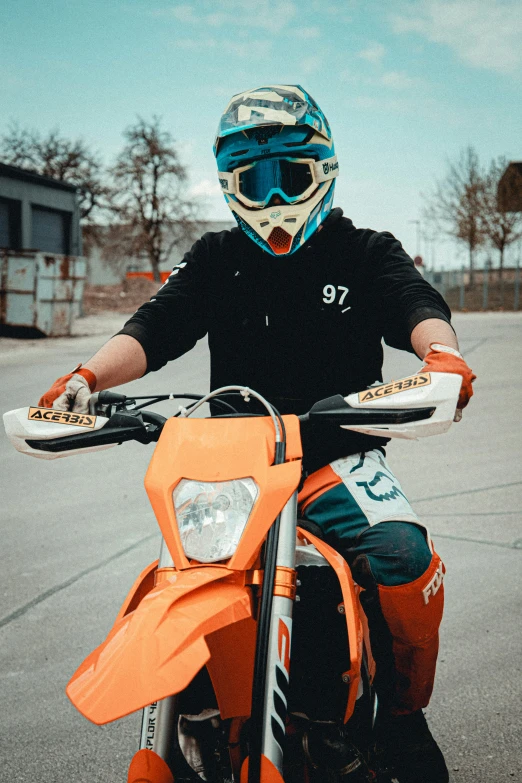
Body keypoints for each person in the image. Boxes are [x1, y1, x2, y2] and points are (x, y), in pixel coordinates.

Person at [39, 85, 475, 782]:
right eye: (255, 181)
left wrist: (441, 353)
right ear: (231, 186)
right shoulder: (216, 258)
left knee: (401, 554)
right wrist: (87, 376)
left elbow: (417, 304)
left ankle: (401, 717)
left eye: (290, 177)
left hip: (337, 455)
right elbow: (156, 325)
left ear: (322, 172)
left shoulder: (365, 251)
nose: (274, 198)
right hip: (233, 468)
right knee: (175, 577)